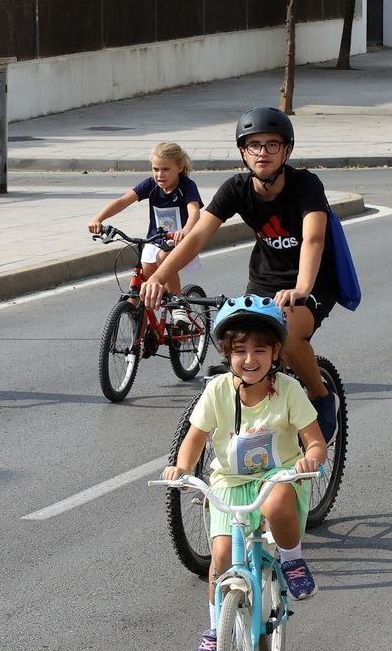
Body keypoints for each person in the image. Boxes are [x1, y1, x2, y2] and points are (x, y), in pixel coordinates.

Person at [139, 108, 339, 440]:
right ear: (243, 151)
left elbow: (314, 239)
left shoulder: (306, 185)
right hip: (265, 276)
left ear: (286, 150)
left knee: (286, 335)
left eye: (272, 145)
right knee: (242, 341)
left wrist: (301, 287)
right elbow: (197, 236)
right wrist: (159, 276)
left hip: (312, 278)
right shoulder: (237, 188)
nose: (263, 152)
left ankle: (320, 396)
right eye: (254, 145)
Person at [165, 296, 326, 651]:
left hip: (279, 478)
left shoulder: (288, 390)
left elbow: (315, 441)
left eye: (259, 350)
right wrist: (182, 469)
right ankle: (214, 632)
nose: (249, 359)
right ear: (227, 353)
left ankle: (292, 561)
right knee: (220, 559)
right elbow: (195, 438)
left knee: (276, 502)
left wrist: (310, 459)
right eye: (239, 350)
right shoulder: (218, 389)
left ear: (275, 352)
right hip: (229, 483)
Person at [86, 141, 202, 329]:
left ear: (179, 167)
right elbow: (123, 201)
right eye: (155, 169)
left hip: (181, 243)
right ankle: (139, 338)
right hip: (154, 242)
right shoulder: (150, 185)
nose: (159, 174)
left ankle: (178, 303)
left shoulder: (186, 186)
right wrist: (98, 219)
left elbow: (194, 211)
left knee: (164, 256)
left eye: (165, 169)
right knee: (143, 288)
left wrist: (186, 230)